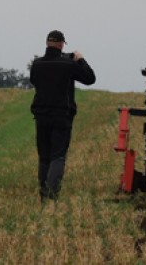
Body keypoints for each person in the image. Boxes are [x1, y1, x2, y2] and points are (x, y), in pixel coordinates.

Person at [29, 30, 96, 202]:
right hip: (61, 115)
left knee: (44, 156)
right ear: (61, 44)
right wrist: (80, 59)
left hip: (41, 115)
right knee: (57, 156)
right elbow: (90, 78)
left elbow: (34, 81)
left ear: (46, 43)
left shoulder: (37, 64)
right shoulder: (68, 65)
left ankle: (43, 195)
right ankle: (52, 194)